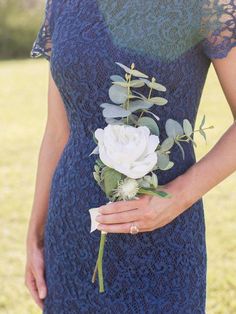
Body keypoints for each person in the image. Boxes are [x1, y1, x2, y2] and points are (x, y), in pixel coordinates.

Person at [25, 1, 236, 313]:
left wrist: (174, 199)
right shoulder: (62, 4)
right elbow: (59, 131)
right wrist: (35, 234)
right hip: (71, 238)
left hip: (163, 239)